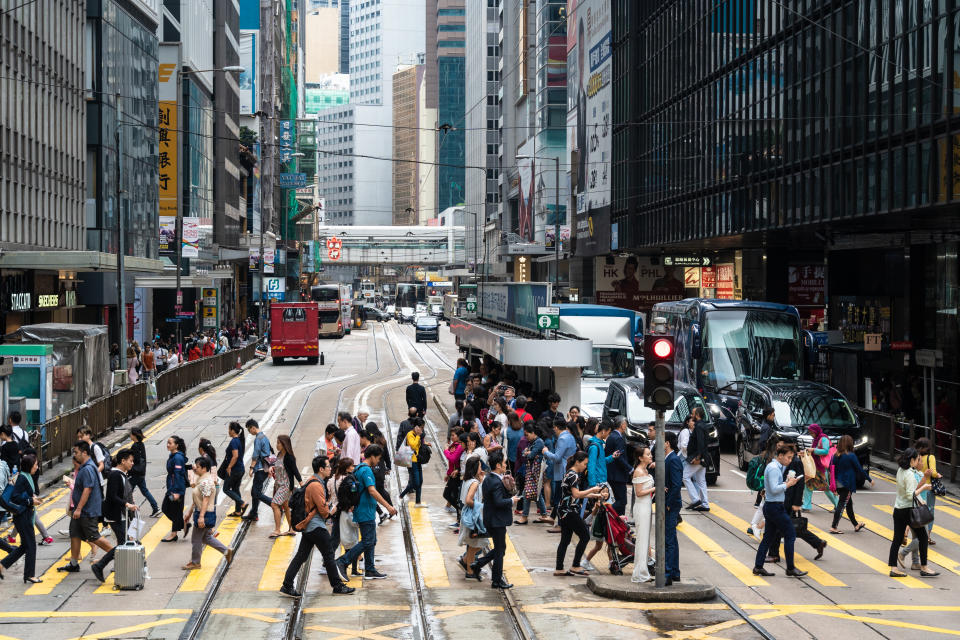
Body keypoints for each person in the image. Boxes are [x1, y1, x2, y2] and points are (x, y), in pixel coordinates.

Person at [280, 456, 355, 597]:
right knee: (329, 554)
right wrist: (330, 510)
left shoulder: (314, 481)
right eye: (328, 467)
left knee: (301, 556)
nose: (330, 469)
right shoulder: (316, 485)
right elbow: (323, 510)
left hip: (310, 526)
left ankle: (287, 585)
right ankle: (337, 585)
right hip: (315, 526)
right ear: (321, 469)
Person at [335, 445, 397, 580]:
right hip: (365, 510)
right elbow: (372, 490)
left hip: (362, 509)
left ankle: (370, 569)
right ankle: (342, 561)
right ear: (373, 456)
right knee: (368, 541)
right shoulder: (366, 471)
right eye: (379, 458)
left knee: (371, 540)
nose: (378, 461)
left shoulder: (358, 468)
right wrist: (388, 506)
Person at [752, 442, 807, 578]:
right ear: (780, 455)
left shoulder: (776, 467)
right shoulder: (774, 468)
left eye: (791, 457)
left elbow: (774, 487)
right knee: (790, 534)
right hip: (774, 507)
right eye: (788, 457)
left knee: (768, 538)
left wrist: (787, 483)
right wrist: (788, 484)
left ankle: (758, 566)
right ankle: (790, 568)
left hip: (773, 506)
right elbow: (773, 489)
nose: (789, 460)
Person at [58, 442, 114, 573]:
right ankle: (73, 563)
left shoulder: (88, 468)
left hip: (87, 511)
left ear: (84, 453)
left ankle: (117, 554)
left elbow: (87, 490)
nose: (74, 455)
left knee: (94, 536)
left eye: (76, 452)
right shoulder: (85, 467)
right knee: (75, 533)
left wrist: (78, 509)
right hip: (82, 510)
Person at [767, 442, 827, 563]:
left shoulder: (795, 462)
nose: (779, 447)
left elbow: (799, 483)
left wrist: (797, 503)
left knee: (779, 527)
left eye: (782, 445)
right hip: (784, 497)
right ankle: (818, 543)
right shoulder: (785, 461)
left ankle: (774, 554)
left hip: (788, 500)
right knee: (792, 527)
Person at [470, 450, 520, 589]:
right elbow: (498, 502)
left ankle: (478, 564)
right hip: (497, 521)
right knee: (499, 551)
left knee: (501, 548)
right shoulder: (496, 482)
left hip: (491, 518)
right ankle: (496, 580)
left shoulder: (488, 478)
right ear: (498, 465)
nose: (505, 465)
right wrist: (511, 500)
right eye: (503, 463)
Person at [888, 447, 938, 578]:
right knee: (922, 537)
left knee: (897, 539)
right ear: (912, 460)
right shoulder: (909, 474)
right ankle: (924, 567)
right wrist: (924, 488)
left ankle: (894, 568)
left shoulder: (900, 470)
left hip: (898, 508)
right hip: (908, 510)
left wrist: (921, 500)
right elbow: (911, 495)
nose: (918, 462)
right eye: (917, 459)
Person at [91, 449, 138, 582]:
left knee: (124, 542)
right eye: (130, 461)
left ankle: (116, 566)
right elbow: (112, 496)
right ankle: (99, 565)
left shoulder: (122, 474)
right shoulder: (115, 475)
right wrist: (127, 504)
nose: (132, 463)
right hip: (115, 514)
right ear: (122, 461)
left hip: (120, 514)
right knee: (123, 543)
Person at [554, 451, 603, 576]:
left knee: (565, 540)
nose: (585, 467)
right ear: (578, 462)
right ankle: (575, 566)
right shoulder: (573, 475)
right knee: (585, 536)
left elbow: (574, 494)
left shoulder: (570, 473)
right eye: (585, 464)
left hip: (564, 510)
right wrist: (592, 489)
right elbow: (576, 494)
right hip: (569, 511)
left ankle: (559, 569)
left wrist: (596, 494)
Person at [182, 456, 233, 570]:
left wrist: (201, 517)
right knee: (206, 538)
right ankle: (226, 551)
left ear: (204, 469)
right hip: (201, 512)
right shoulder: (201, 480)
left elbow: (205, 499)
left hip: (204, 513)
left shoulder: (206, 482)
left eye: (198, 467)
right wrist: (190, 512)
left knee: (196, 539)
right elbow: (198, 499)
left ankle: (196, 563)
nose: (195, 468)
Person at [1, 453, 42, 582]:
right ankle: (29, 575)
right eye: (35, 465)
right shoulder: (22, 478)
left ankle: (2, 565)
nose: (37, 467)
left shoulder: (24, 476)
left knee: (25, 546)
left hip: (23, 515)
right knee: (31, 546)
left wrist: (32, 498)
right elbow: (15, 497)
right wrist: (30, 501)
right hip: (23, 516)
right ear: (29, 466)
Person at [829, 434, 870, 534]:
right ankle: (834, 527)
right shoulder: (851, 455)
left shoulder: (835, 455)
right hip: (847, 484)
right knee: (842, 505)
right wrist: (869, 479)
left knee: (849, 504)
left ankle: (856, 525)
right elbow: (859, 469)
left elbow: (830, 468)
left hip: (838, 483)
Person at [660, 432, 685, 584]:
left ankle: (668, 573)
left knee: (668, 540)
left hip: (671, 505)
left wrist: (668, 504)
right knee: (672, 539)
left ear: (667, 443)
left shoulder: (673, 460)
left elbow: (676, 485)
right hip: (670, 503)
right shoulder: (668, 458)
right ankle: (674, 571)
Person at [459, 456, 488, 580]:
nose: (482, 469)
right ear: (475, 468)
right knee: (475, 544)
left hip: (467, 515)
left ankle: (465, 560)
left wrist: (481, 480)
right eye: (480, 466)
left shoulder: (468, 480)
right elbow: (468, 500)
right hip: (473, 516)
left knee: (476, 543)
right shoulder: (474, 483)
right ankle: (470, 571)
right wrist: (479, 506)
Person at [630, 445, 656, 582]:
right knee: (642, 540)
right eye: (648, 454)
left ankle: (643, 571)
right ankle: (639, 574)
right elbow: (639, 493)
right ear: (640, 458)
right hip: (641, 508)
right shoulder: (638, 472)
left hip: (647, 507)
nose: (650, 456)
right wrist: (654, 488)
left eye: (650, 453)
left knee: (645, 540)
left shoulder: (645, 470)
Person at [270, 434, 302, 538]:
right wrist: (271, 468)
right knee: (286, 507)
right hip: (278, 484)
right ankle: (291, 528)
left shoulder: (289, 457)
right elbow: (274, 463)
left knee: (274, 505)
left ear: (284, 444)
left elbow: (295, 471)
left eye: (279, 443)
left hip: (286, 485)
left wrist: (302, 484)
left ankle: (277, 530)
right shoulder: (279, 455)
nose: (277, 445)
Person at [802, 424, 838, 511]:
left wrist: (814, 450)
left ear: (816, 431)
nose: (811, 434)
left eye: (812, 433)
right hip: (814, 467)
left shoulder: (823, 438)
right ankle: (806, 507)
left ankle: (838, 505)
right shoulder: (816, 439)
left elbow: (825, 451)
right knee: (808, 485)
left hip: (821, 467)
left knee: (826, 488)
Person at [516, 423, 547, 524]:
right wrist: (528, 453)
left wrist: (528, 453)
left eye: (527, 434)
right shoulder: (533, 442)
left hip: (535, 472)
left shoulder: (539, 442)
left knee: (527, 493)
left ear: (533, 433)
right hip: (532, 472)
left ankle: (525, 517)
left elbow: (530, 455)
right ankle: (544, 515)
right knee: (536, 494)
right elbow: (523, 453)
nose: (526, 437)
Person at [244, 419, 273, 522]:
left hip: (260, 469)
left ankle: (274, 504)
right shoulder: (264, 437)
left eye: (249, 430)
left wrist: (251, 468)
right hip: (265, 468)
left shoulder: (258, 439)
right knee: (255, 491)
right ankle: (254, 513)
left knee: (256, 493)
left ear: (253, 427)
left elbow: (255, 455)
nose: (249, 432)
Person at [682, 408, 711, 512]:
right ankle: (705, 504)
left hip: (697, 456)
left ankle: (695, 500)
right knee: (701, 481)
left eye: (693, 413)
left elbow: (700, 443)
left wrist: (698, 457)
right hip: (703, 456)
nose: (691, 415)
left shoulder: (698, 426)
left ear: (697, 414)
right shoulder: (704, 425)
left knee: (685, 476)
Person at [160, 436, 188, 542]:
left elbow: (178, 476)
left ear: (176, 445)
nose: (168, 445)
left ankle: (174, 533)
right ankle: (181, 524)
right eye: (167, 442)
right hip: (172, 487)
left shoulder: (177, 458)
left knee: (169, 509)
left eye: (170, 443)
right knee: (170, 510)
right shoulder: (173, 455)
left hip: (176, 489)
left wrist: (177, 492)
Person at [128, 428, 161, 517]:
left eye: (130, 434)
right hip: (141, 472)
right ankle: (155, 508)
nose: (129, 435)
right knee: (144, 491)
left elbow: (137, 459)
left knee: (127, 491)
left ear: (134, 435)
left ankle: (128, 511)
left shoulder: (135, 446)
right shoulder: (141, 444)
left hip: (135, 473)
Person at [399, 422, 431, 507]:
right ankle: (402, 496)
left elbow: (418, 445)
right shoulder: (410, 434)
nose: (422, 429)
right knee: (415, 482)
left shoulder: (417, 435)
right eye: (421, 427)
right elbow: (413, 445)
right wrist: (417, 435)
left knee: (419, 481)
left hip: (417, 460)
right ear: (416, 427)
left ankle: (417, 502)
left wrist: (425, 443)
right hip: (412, 461)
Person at [605, 416, 632, 516]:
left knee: (619, 500)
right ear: (622, 425)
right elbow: (619, 457)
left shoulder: (611, 436)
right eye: (626, 424)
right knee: (622, 501)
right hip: (618, 475)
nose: (626, 426)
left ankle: (619, 522)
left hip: (612, 473)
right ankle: (605, 513)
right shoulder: (618, 438)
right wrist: (630, 468)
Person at [916, 437, 941, 543]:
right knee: (930, 511)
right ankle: (927, 536)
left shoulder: (916, 457)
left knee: (918, 511)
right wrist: (938, 475)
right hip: (928, 488)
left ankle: (917, 534)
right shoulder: (931, 457)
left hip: (918, 486)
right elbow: (933, 472)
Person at [221, 422, 247, 517]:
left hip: (235, 470)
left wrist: (229, 467)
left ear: (232, 430)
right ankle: (238, 511)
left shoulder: (234, 441)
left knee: (226, 489)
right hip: (240, 469)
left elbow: (235, 456)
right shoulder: (239, 440)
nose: (228, 431)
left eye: (229, 429)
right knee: (235, 489)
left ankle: (242, 503)